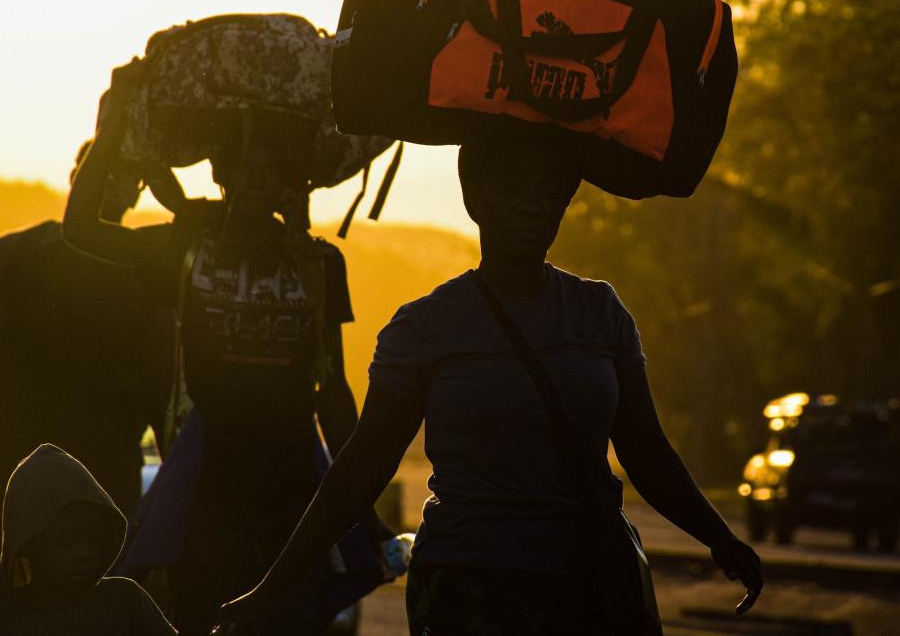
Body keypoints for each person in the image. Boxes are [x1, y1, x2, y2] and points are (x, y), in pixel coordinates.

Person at [215, 135, 765, 635]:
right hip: (468, 590)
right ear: (473, 197)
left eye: (550, 190)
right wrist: (272, 588)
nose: (534, 203)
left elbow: (647, 452)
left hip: (590, 585)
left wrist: (722, 539)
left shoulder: (600, 314)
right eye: (514, 186)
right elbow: (361, 468)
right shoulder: (424, 328)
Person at [64, 60, 387, 635]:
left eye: (274, 169)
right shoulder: (188, 249)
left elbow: (331, 389)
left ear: (296, 182)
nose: (258, 180)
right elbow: (81, 230)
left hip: (294, 495)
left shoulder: (318, 263)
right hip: (206, 492)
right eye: (244, 166)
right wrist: (113, 126)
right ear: (222, 175)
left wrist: (362, 499)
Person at [0, 142, 176, 553]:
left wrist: (173, 490)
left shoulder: (147, 272)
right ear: (75, 178)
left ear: (137, 192)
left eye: (121, 177)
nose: (110, 187)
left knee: (51, 596)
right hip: (30, 464)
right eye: (101, 174)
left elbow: (162, 390)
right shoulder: (20, 255)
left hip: (89, 468)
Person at [0, 443, 177, 635]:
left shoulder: (124, 603)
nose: (85, 553)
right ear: (28, 542)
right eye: (66, 540)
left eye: (95, 539)